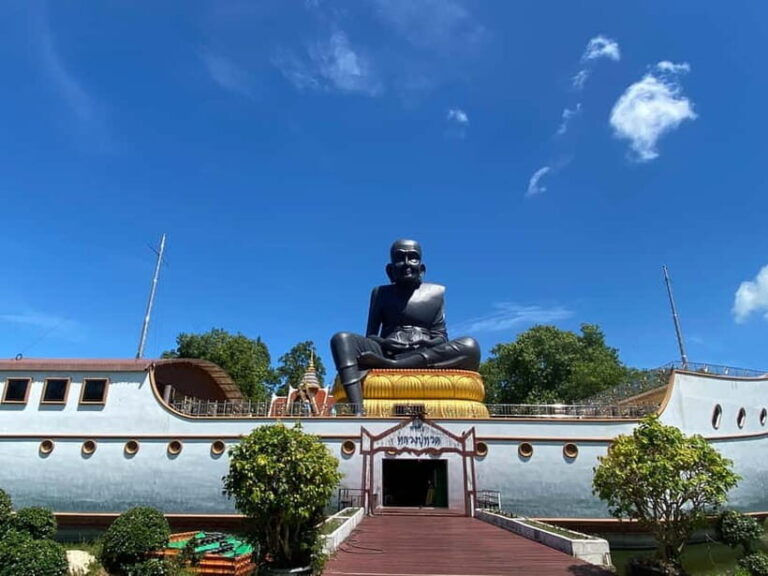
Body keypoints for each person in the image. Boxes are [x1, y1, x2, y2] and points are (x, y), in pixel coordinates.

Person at [330, 239, 480, 415]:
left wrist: (427, 342)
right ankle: (358, 411)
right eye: (400, 258)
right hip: (386, 350)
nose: (407, 263)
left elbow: (441, 336)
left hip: (425, 354)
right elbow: (371, 335)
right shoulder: (380, 293)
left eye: (413, 258)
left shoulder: (436, 293)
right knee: (341, 339)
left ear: (422, 268)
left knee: (471, 346)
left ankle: (394, 365)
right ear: (390, 269)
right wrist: (385, 344)